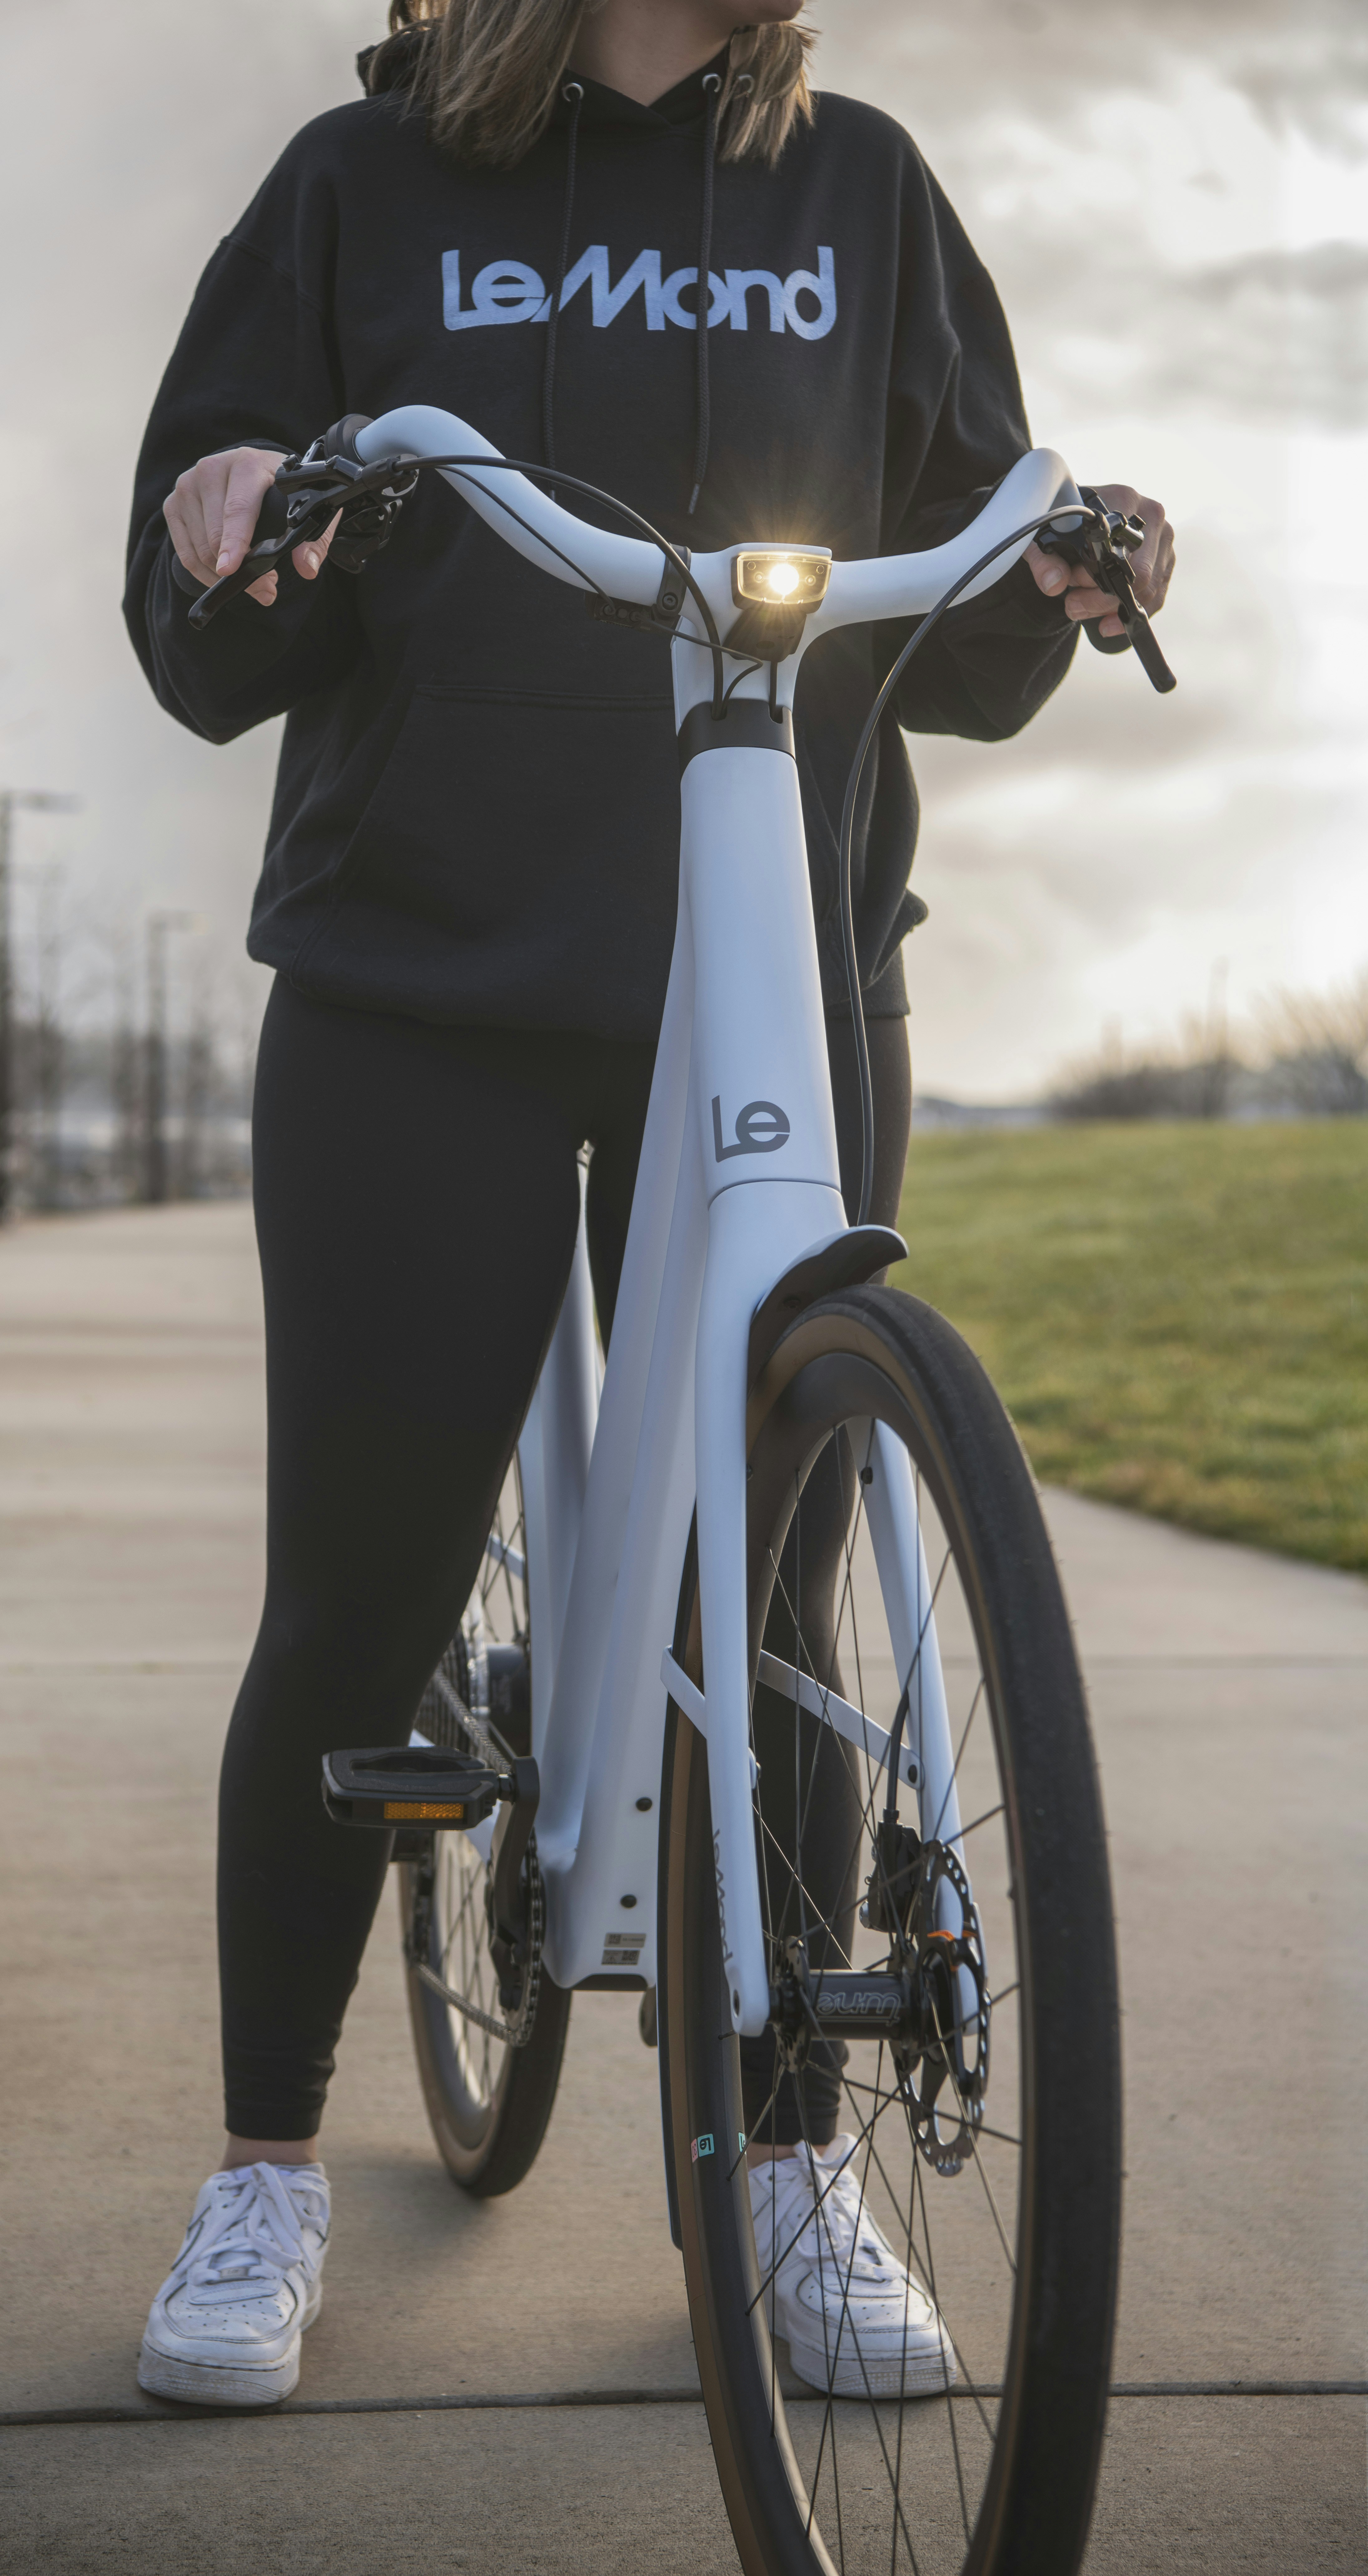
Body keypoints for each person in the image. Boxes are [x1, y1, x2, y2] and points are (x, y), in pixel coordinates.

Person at [124, 0, 1175, 2410]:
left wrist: (1074, 566)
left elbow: (968, 638)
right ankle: (265, 2175)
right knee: (360, 1589)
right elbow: (202, 623)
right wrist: (233, 525)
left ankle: (791, 2164)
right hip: (428, 982)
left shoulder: (863, 188)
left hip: (778, 972)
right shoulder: (356, 190)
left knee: (773, 1589)